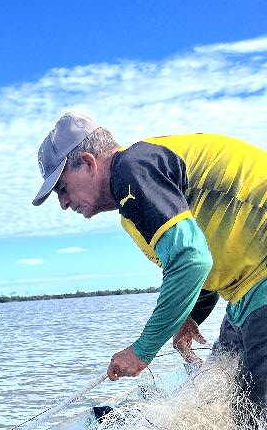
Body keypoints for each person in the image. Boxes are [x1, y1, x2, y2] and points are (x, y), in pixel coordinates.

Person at [32, 112, 267, 402]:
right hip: (249, 291)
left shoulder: (132, 170)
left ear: (89, 163)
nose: (63, 203)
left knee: (253, 416)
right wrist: (190, 316)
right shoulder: (137, 182)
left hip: (261, 282)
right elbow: (207, 256)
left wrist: (142, 350)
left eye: (62, 188)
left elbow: (191, 260)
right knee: (228, 395)